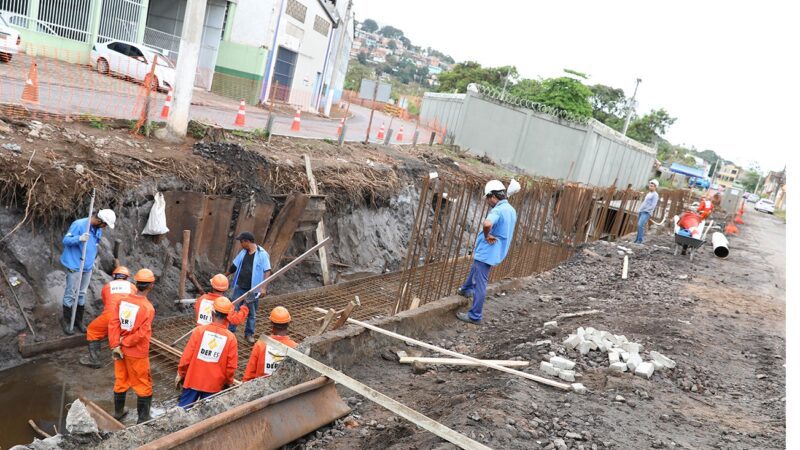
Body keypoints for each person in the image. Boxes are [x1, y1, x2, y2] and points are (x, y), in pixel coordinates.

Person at [455, 180, 517, 325]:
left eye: (488, 199)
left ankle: (475, 315)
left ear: (493, 196)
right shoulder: (511, 210)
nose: (488, 202)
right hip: (497, 251)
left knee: (481, 282)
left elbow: (487, 223)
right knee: (476, 270)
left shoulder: (498, 210)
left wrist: (487, 235)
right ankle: (466, 289)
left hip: (488, 250)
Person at [108, 268, 156, 423]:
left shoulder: (122, 301)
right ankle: (143, 418)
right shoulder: (148, 308)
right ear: (150, 286)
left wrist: (116, 344)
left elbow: (114, 323)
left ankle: (118, 412)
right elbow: (142, 334)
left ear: (136, 284)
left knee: (121, 380)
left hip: (119, 350)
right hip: (136, 351)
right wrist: (125, 342)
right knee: (143, 384)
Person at [60, 209, 116, 335]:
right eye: (105, 224)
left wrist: (93, 261)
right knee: (70, 293)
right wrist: (79, 238)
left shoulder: (98, 229)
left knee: (82, 293)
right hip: (74, 264)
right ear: (99, 220)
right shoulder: (79, 225)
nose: (105, 227)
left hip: (87, 267)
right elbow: (66, 241)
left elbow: (94, 246)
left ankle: (78, 320)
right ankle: (67, 320)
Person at [176, 297, 238, 408]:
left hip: (193, 381)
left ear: (212, 313)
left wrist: (181, 373)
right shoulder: (230, 338)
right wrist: (229, 382)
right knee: (207, 415)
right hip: (214, 386)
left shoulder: (199, 331)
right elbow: (231, 367)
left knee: (182, 413)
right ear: (227, 316)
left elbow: (186, 358)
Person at [79, 266, 136, 368]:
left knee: (93, 330)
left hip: (111, 314)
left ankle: (94, 360)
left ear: (114, 276)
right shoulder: (132, 287)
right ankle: (128, 356)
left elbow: (107, 304)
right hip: (129, 316)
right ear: (127, 277)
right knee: (126, 333)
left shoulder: (107, 286)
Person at [226, 232, 271, 344]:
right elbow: (234, 267)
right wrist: (223, 275)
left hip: (253, 289)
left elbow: (267, 271)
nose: (241, 244)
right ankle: (230, 332)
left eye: (241, 242)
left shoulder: (262, 254)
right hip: (240, 286)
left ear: (247, 241)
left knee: (252, 313)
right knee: (234, 309)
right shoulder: (243, 252)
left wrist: (263, 288)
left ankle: (249, 334)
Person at [243, 306, 298, 381]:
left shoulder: (261, 344)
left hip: (261, 389)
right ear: (288, 323)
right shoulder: (295, 347)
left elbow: (249, 373)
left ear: (271, 323)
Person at [634, 180, 660, 244]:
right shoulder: (649, 193)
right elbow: (644, 202)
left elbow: (653, 205)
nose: (650, 187)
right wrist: (640, 209)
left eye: (652, 186)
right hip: (641, 211)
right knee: (639, 225)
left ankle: (640, 240)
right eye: (650, 185)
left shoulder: (655, 195)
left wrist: (646, 210)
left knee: (640, 225)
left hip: (646, 212)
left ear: (655, 187)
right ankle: (637, 239)